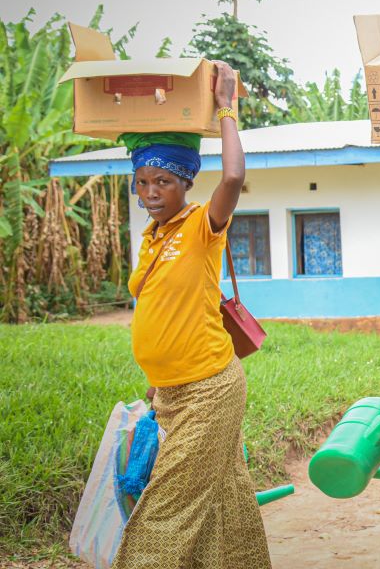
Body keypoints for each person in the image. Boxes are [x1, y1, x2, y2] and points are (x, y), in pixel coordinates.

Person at [112, 63, 271, 569]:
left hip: (210, 389)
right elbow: (162, 312)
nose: (150, 192)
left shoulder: (203, 226)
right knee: (227, 499)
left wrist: (225, 105)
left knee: (165, 510)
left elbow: (233, 175)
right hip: (171, 394)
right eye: (141, 183)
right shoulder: (152, 238)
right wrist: (155, 385)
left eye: (162, 181)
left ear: (185, 183)